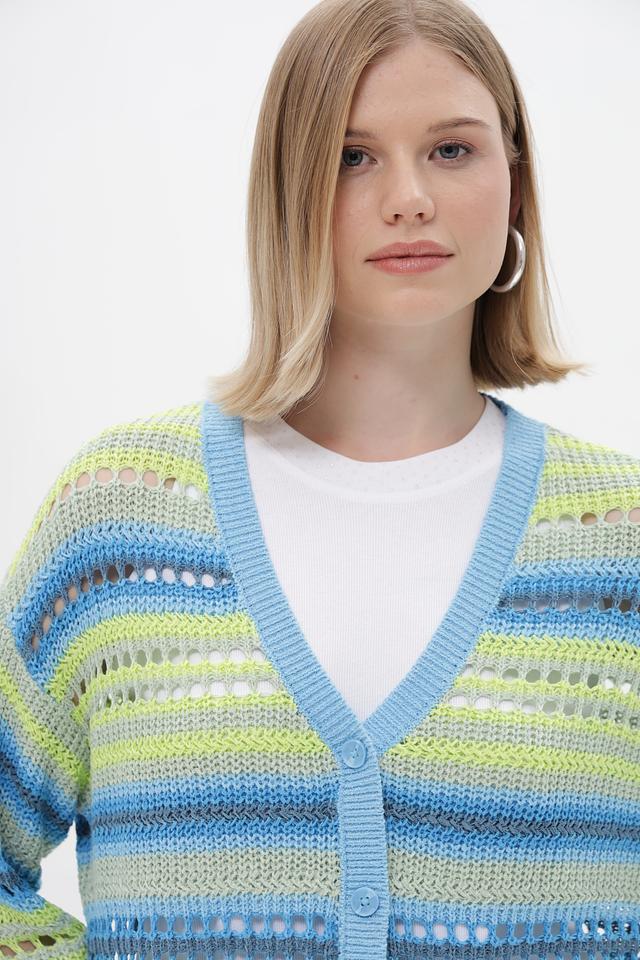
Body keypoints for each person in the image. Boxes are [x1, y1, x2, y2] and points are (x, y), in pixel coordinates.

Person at [2, 1, 638, 959]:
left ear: (515, 181)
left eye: (453, 150)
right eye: (352, 156)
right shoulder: (119, 525)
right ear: (287, 189)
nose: (409, 198)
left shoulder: (620, 545)